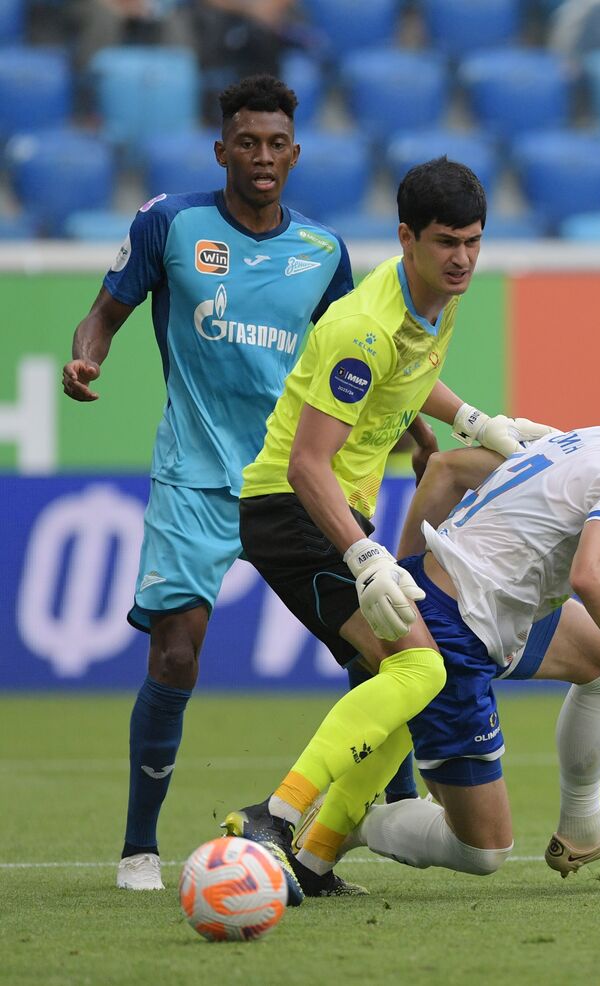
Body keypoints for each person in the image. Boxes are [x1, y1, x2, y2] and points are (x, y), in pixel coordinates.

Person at [221, 155, 553, 898]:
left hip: (340, 509)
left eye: (473, 240)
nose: (463, 257)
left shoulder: (439, 294)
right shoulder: (363, 328)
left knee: (403, 678)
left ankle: (316, 858)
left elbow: (410, 374)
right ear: (406, 237)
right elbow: (308, 465)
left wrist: (473, 420)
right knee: (422, 668)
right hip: (293, 510)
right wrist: (366, 555)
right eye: (446, 242)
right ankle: (275, 818)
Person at [61, 75, 353, 892]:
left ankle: (350, 839)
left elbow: (354, 363)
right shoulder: (170, 224)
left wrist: (417, 432)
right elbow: (103, 313)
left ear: (294, 154)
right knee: (178, 654)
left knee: (375, 650)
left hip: (292, 481)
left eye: (276, 145)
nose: (262, 158)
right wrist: (90, 355)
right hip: (194, 477)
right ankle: (138, 851)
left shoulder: (324, 252)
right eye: (247, 144)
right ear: (221, 150)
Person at [288, 382, 600, 883]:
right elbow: (592, 575)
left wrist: (407, 579)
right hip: (458, 635)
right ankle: (347, 821)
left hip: (468, 608)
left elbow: (445, 470)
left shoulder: (590, 439)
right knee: (482, 850)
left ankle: (582, 829)